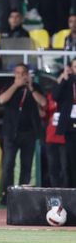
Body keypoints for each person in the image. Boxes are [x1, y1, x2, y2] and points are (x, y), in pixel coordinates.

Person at [0, 64, 45, 201]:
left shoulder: (35, 87)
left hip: (29, 133)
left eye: (23, 73)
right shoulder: (9, 86)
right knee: (8, 164)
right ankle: (7, 195)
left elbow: (43, 103)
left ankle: (22, 197)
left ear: (27, 74)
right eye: (17, 73)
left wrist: (31, 88)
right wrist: (15, 86)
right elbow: (1, 99)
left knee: (26, 165)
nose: (20, 75)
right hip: (11, 133)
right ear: (14, 74)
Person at [55, 59, 76, 187]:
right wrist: (63, 78)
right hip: (70, 128)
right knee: (71, 162)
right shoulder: (67, 82)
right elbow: (55, 96)